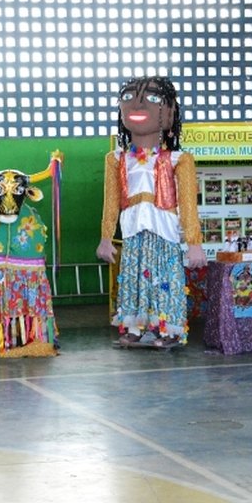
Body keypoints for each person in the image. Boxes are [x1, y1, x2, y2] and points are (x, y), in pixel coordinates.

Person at [96, 75, 206, 348]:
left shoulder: (179, 160)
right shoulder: (116, 159)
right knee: (132, 278)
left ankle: (167, 331)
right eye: (128, 98)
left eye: (154, 99)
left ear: (169, 113)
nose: (137, 104)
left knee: (165, 280)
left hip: (164, 232)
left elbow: (188, 206)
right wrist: (106, 237)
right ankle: (134, 326)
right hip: (133, 231)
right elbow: (110, 202)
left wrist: (194, 243)